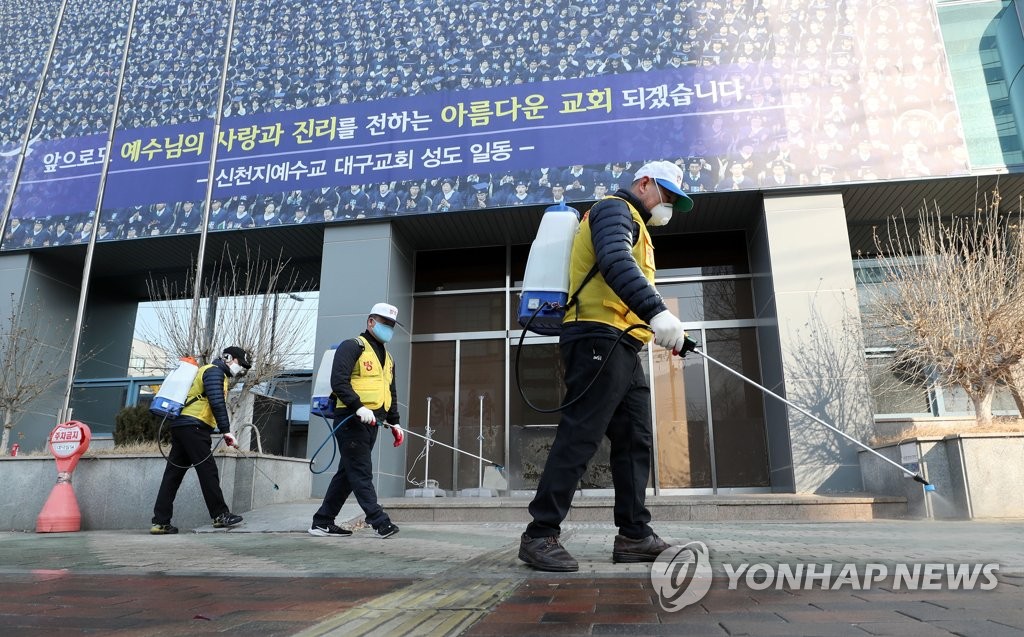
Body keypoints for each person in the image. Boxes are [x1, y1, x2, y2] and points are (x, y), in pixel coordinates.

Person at [518, 160, 697, 572]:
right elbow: (615, 261)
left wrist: (661, 327)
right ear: (644, 182)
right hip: (595, 336)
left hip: (623, 342)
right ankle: (539, 534)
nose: (669, 205)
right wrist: (657, 311)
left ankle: (634, 534)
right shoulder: (614, 210)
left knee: (635, 438)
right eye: (667, 194)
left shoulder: (637, 224)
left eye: (675, 200)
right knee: (581, 433)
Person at [309, 303, 404, 539]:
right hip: (351, 419)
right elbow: (339, 381)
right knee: (361, 471)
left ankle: (322, 521)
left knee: (347, 473)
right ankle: (379, 521)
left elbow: (390, 392)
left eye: (392, 325)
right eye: (384, 323)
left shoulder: (388, 358)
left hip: (373, 423)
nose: (389, 329)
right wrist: (358, 406)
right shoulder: (352, 346)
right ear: (371, 322)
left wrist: (395, 423)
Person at [150, 346, 252, 534]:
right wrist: (226, 431)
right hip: (194, 427)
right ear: (228, 358)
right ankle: (220, 515)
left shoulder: (209, 371)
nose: (241, 369)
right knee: (208, 471)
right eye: (240, 364)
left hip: (182, 425)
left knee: (173, 475)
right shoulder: (214, 372)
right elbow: (216, 402)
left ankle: (160, 522)